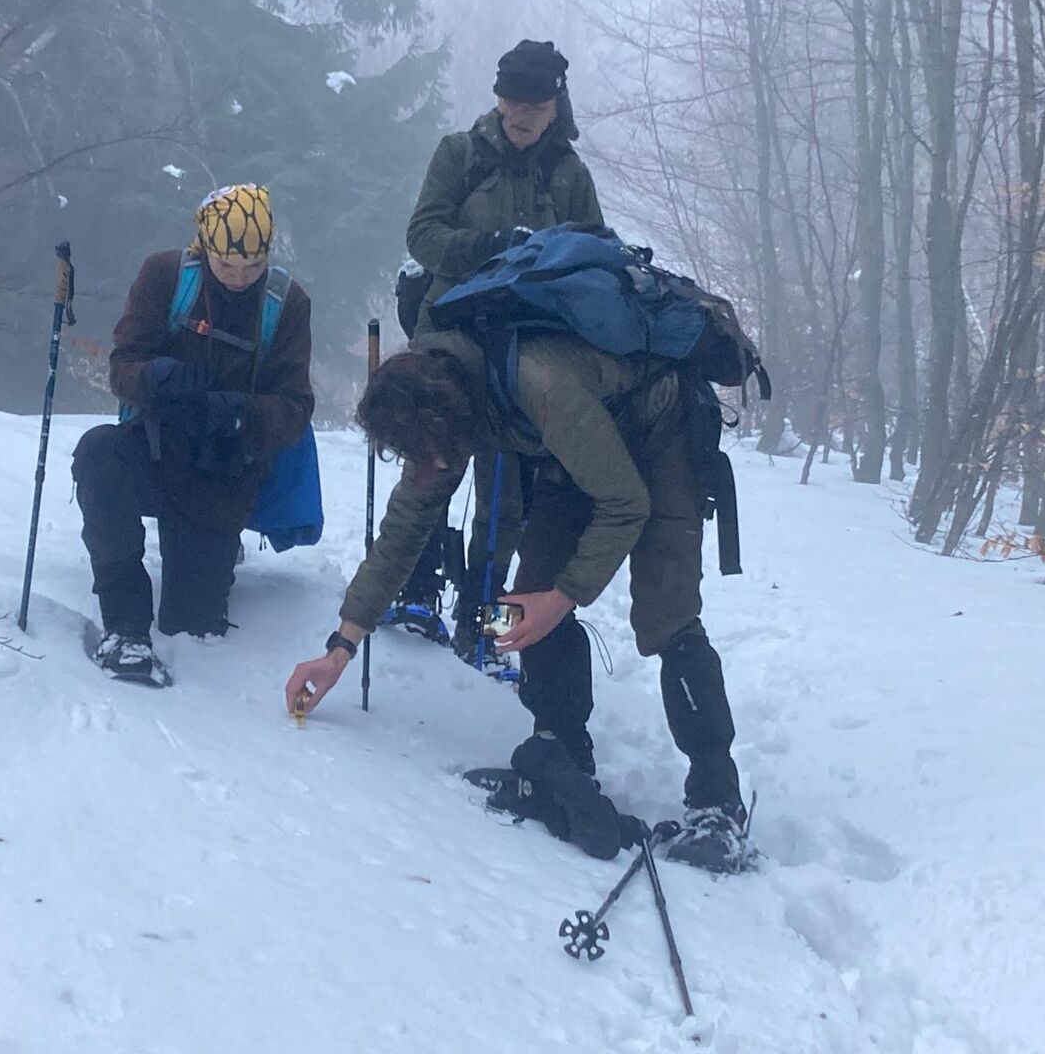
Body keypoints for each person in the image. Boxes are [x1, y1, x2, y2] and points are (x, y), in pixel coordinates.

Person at [283, 325, 751, 873]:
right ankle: (561, 756)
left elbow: (626, 504)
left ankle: (718, 801)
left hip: (660, 429)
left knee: (665, 616)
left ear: (451, 418)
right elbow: (403, 531)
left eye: (436, 455)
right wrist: (340, 647)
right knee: (524, 601)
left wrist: (565, 596)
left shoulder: (539, 386)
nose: (436, 467)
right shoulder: (435, 411)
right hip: (580, 445)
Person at [396, 39, 605, 658]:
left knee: (508, 498)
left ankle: (483, 624)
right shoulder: (459, 154)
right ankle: (415, 591)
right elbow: (422, 234)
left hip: (528, 347)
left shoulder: (569, 174)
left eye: (534, 105)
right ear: (497, 98)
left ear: (555, 106)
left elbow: (596, 257)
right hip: (451, 333)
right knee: (433, 463)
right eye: (512, 100)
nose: (521, 114)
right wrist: (491, 248)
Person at [73, 184, 314, 679]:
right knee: (98, 453)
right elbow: (123, 366)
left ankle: (218, 554)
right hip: (152, 450)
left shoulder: (287, 303)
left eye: (253, 266)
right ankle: (124, 625)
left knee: (190, 623)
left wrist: (243, 413)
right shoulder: (165, 276)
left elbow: (295, 407)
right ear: (204, 249)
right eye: (226, 266)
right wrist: (153, 377)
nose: (239, 278)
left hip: (223, 475)